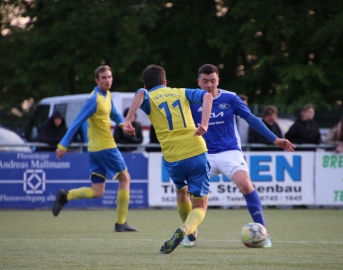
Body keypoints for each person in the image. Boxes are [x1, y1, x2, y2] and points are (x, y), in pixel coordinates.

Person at [188, 64, 295, 248]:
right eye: (205, 81)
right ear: (198, 82)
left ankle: (263, 233)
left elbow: (251, 118)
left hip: (230, 152)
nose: (209, 85)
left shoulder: (230, 98)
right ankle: (190, 233)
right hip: (204, 153)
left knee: (246, 184)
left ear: (218, 81)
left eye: (212, 81)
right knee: (195, 195)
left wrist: (275, 139)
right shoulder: (190, 100)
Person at [123, 64, 213, 254]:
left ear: (147, 85)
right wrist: (204, 124)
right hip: (196, 150)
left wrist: (128, 119)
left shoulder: (148, 96)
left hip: (172, 157)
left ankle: (191, 234)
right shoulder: (181, 92)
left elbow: (140, 93)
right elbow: (207, 95)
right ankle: (186, 229)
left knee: (181, 191)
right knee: (200, 204)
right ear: (165, 82)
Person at [52, 65, 138, 232]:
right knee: (125, 178)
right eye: (104, 77)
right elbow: (77, 121)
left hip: (95, 150)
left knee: (97, 191)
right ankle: (121, 223)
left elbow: (114, 114)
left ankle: (66, 195)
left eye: (109, 77)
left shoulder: (107, 95)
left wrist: (123, 124)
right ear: (96, 80)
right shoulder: (94, 99)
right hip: (106, 147)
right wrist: (63, 145)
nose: (107, 80)